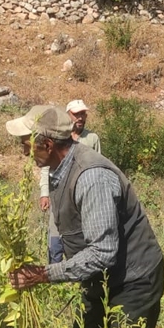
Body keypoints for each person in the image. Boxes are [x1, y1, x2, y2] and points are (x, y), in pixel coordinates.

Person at [7, 105, 164, 328]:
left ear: (47, 144)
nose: (23, 150)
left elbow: (103, 252)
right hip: (100, 279)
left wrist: (44, 274)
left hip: (134, 280)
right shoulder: (58, 169)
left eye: (26, 143)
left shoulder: (92, 177)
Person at [39, 100, 102, 264]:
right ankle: (54, 274)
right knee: (55, 243)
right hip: (58, 195)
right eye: (76, 114)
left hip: (81, 197)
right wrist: (44, 193)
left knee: (79, 242)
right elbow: (46, 167)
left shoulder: (92, 138)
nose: (80, 118)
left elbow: (98, 166)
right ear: (68, 115)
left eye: (83, 114)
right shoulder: (58, 137)